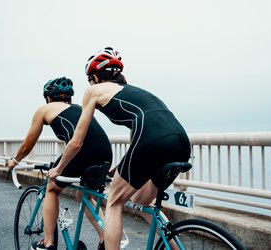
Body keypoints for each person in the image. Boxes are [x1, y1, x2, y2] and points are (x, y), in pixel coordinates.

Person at [48, 47, 191, 249]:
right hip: (181, 140)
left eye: (90, 79)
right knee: (144, 202)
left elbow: (77, 141)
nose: (89, 84)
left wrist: (59, 168)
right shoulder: (135, 91)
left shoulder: (93, 91)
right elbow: (138, 135)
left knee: (114, 202)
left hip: (151, 139)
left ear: (95, 77)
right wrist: (118, 169)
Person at [7, 77, 112, 250]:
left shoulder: (44, 109)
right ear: (69, 98)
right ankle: (105, 239)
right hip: (105, 150)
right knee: (86, 195)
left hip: (81, 150)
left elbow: (28, 144)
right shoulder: (79, 108)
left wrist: (15, 160)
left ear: (48, 97)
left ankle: (48, 242)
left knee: (52, 188)